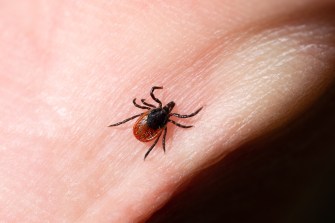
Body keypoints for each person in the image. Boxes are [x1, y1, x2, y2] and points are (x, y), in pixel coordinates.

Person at [0, 0, 334, 222]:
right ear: (159, 114)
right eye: (164, 110)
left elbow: (142, 109)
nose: (167, 111)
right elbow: (155, 119)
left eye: (164, 111)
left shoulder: (152, 115)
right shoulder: (162, 120)